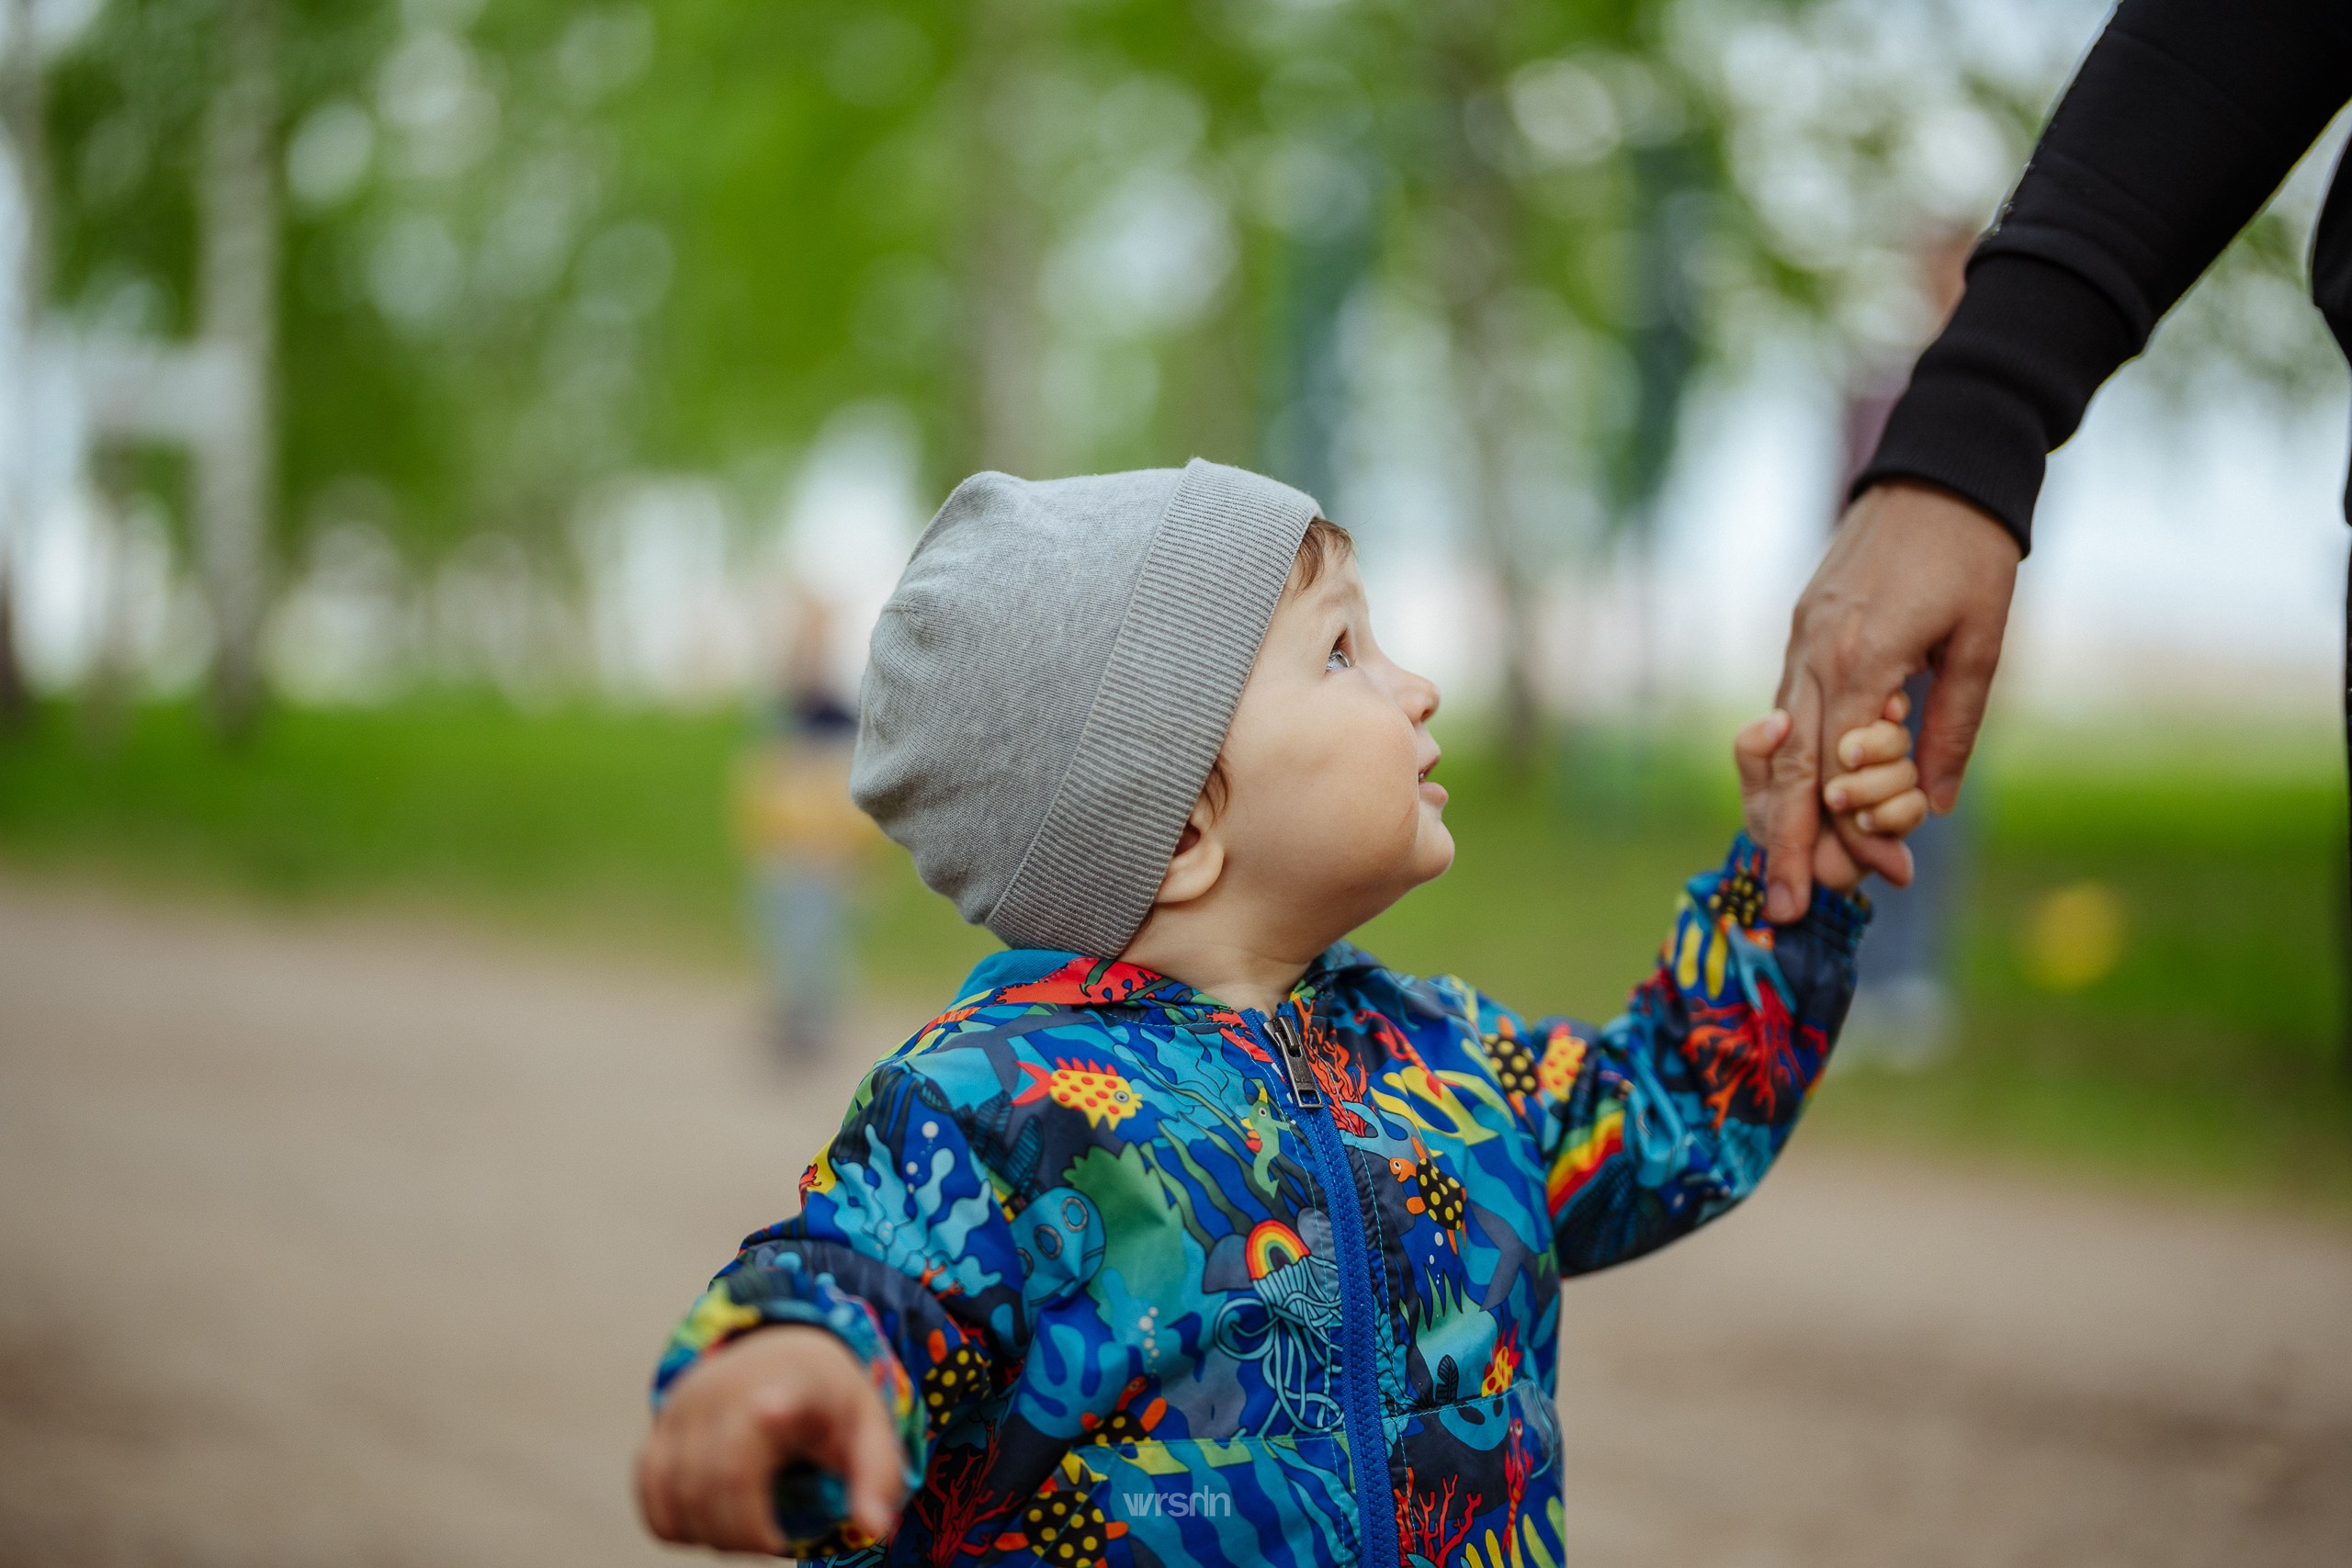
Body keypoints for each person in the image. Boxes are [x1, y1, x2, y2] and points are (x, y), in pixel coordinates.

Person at [633, 460, 1928, 1562]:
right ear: (1188, 818)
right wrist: (786, 1356)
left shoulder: (1452, 1059)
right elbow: (862, 1268)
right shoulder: (993, 1104)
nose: (1416, 686)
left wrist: (1788, 883)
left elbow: (1672, 1111)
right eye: (1343, 649)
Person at [1760, 0, 2352, 925]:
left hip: (1949, 655)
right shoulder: (1873, 382)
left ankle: (1897, 978)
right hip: (1888, 650)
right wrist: (1978, 414)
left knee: (1920, 818)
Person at [738, 591, 878, 1057]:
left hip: (824, 855)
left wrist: (853, 852)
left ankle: (814, 1027)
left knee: (819, 942)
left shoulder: (841, 715)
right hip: (784, 850)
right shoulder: (782, 712)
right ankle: (791, 1021)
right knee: (786, 941)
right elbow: (763, 780)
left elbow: (851, 790)